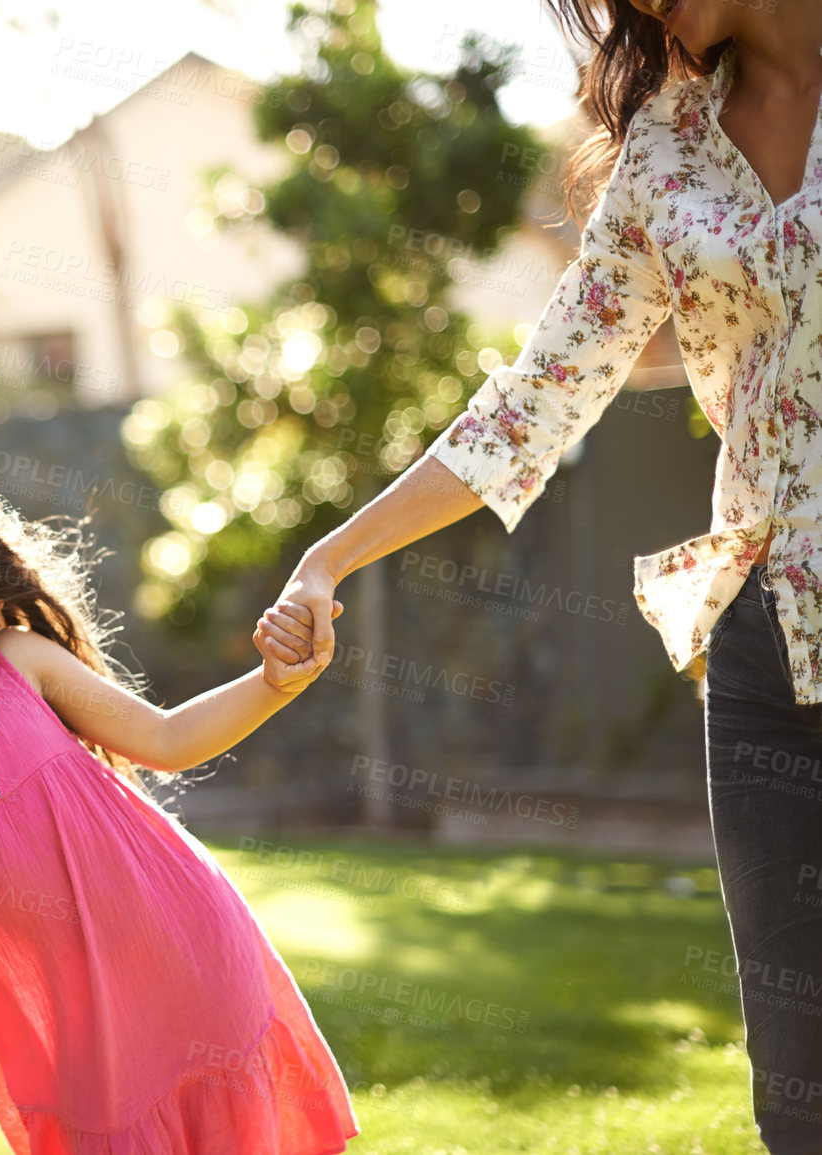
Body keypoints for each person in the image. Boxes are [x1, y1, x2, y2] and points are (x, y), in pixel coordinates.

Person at [251, 1, 822, 1151]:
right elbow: (534, 400)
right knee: (799, 1079)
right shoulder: (669, 149)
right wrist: (327, 556)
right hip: (773, 634)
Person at [0, 461, 358, 1154]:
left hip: (190, 951)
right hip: (76, 1032)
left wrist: (272, 684)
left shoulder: (20, 662)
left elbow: (166, 739)